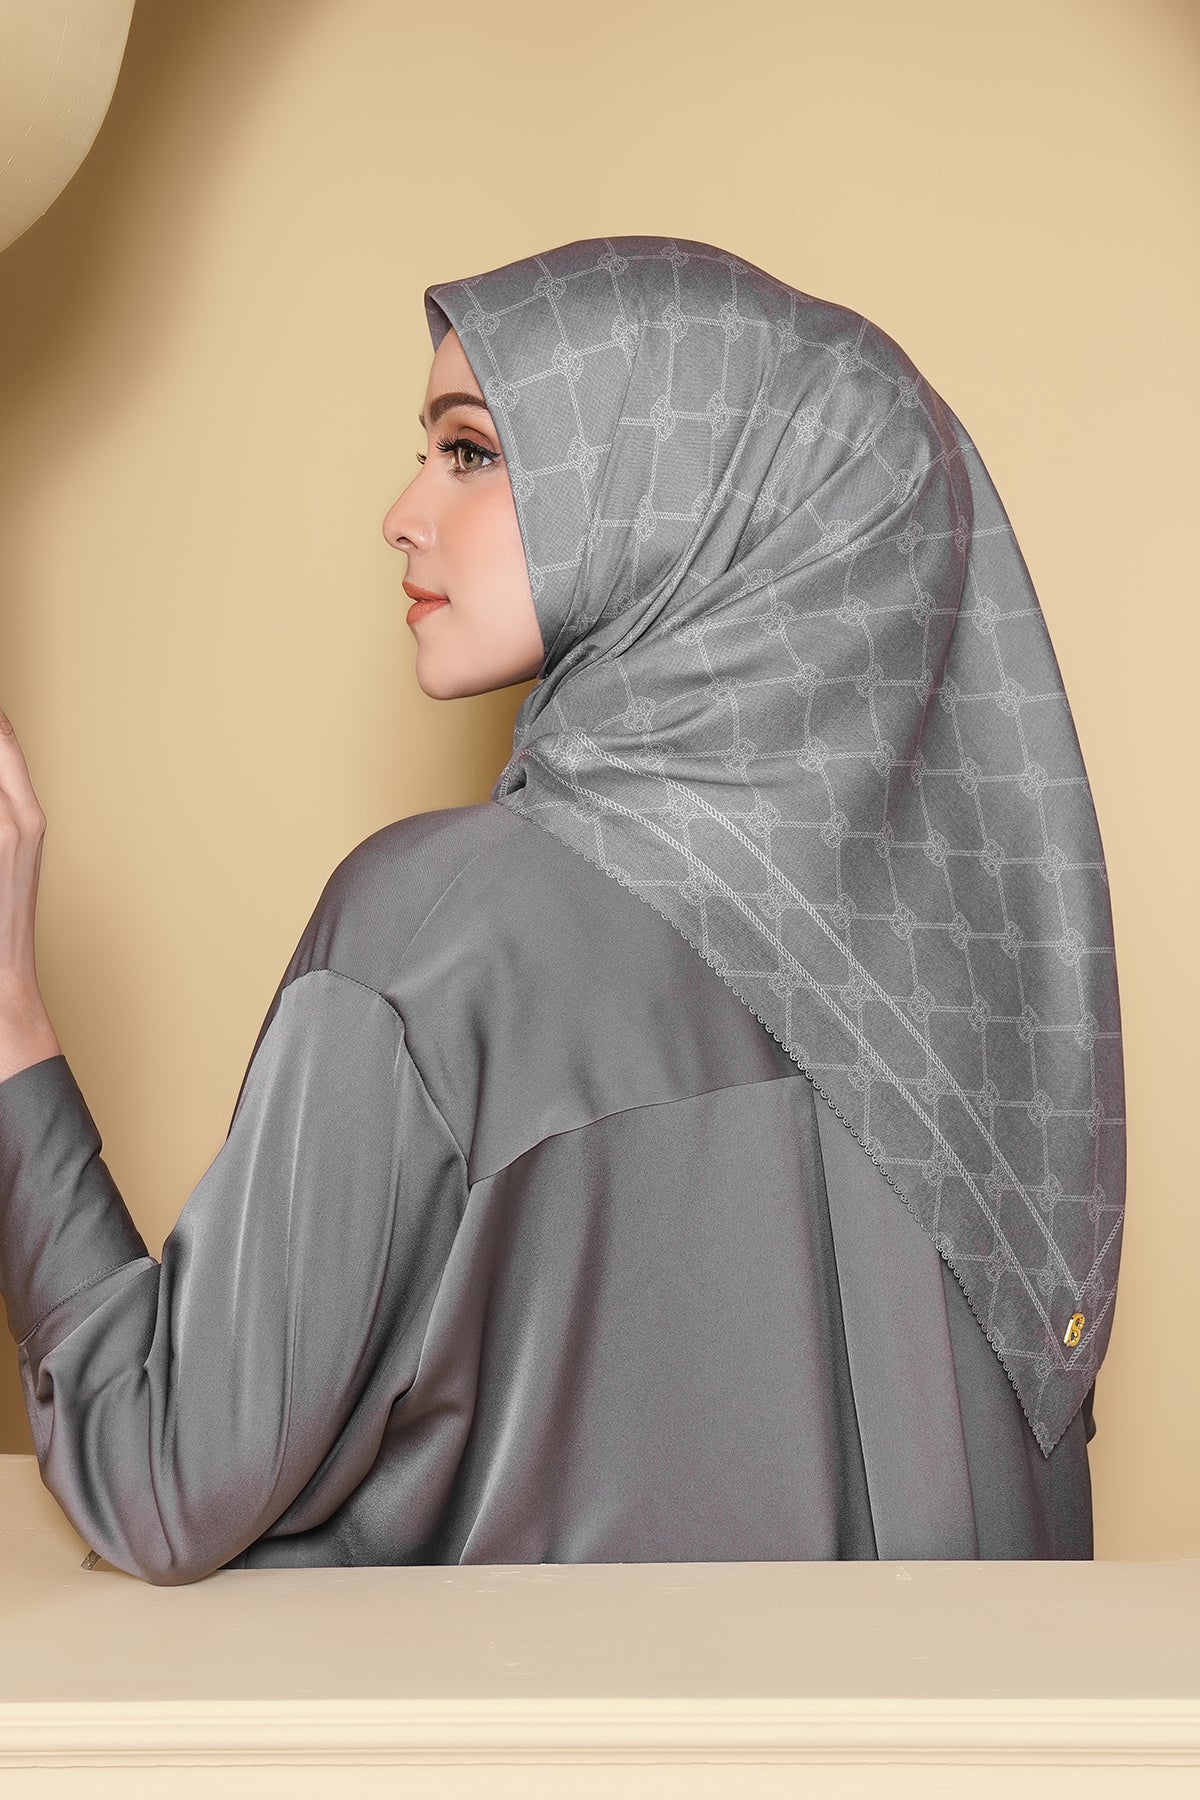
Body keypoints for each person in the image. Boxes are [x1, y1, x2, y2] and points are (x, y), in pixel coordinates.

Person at [0, 235, 1125, 1584]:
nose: (403, 512)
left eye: (470, 451)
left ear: (684, 494)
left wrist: (9, 1022)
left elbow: (160, 1480)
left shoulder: (440, 931)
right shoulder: (996, 1009)